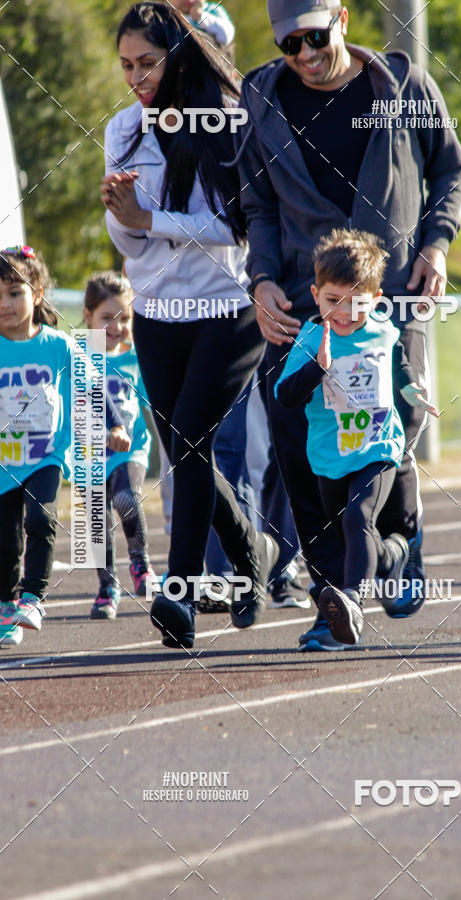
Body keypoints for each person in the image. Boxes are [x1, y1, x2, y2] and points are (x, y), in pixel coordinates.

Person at [234, 0, 461, 649]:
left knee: (393, 423)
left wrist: (437, 243)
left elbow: (452, 167)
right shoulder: (261, 98)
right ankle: (330, 600)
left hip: (390, 297)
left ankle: (401, 543)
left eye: (315, 37)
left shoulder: (403, 85)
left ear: (341, 16)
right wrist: (259, 282)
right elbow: (254, 204)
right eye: (289, 45)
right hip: (301, 304)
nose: (305, 56)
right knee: (303, 456)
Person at [102, 3, 278, 649]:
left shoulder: (227, 119)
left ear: (177, 54)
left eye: (147, 62)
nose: (136, 76)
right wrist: (125, 216)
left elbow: (237, 229)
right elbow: (133, 245)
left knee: (192, 440)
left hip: (230, 308)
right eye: (125, 64)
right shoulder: (123, 127)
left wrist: (151, 221)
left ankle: (177, 593)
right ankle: (251, 548)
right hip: (156, 311)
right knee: (187, 450)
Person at [276, 229, 438, 645]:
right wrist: (316, 368)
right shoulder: (311, 340)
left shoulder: (383, 329)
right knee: (351, 538)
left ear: (377, 298)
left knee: (357, 518)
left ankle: (352, 604)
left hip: (376, 449)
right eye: (334, 302)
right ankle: (396, 554)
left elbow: (399, 366)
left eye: (358, 305)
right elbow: (285, 396)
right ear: (315, 294)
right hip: (329, 458)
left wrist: (412, 390)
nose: (346, 314)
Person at [0, 246, 130, 646]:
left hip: (46, 454)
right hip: (5, 459)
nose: (4, 303)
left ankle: (33, 597)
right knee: (5, 538)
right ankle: (6, 606)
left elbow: (92, 383)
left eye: (14, 292)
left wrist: (114, 424)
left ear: (36, 294)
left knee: (40, 518)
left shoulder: (57, 345)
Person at [82, 271, 157, 619]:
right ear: (88, 316)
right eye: (106, 318)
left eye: (124, 318)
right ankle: (107, 587)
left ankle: (140, 564)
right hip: (87, 453)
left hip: (130, 447)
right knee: (97, 522)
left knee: (125, 497)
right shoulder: (75, 355)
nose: (116, 326)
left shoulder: (136, 358)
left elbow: (155, 400)